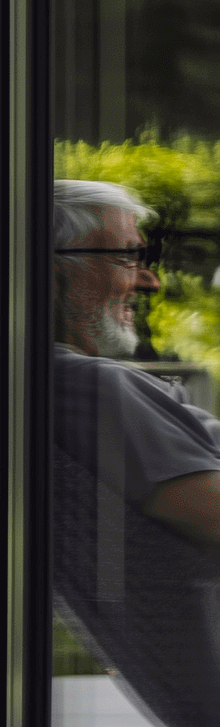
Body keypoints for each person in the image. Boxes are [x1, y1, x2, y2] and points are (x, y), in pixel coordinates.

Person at [50, 179, 220, 546]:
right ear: (49, 273)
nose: (149, 280)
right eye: (126, 257)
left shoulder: (50, 377)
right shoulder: (92, 385)